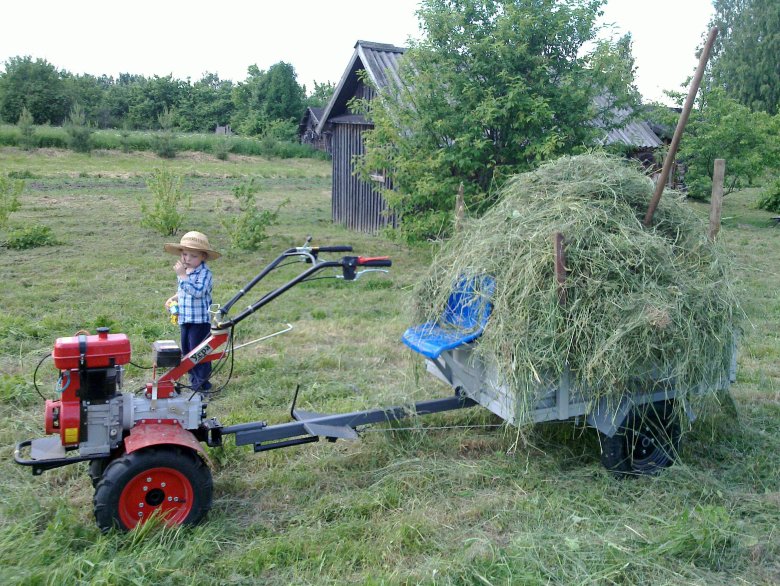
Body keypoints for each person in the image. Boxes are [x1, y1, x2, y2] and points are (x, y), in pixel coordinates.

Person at [164, 231, 221, 391]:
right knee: (188, 352)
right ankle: (193, 380)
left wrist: (182, 276)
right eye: (184, 254)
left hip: (199, 321)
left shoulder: (205, 273)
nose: (187, 259)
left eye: (193, 256)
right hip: (185, 318)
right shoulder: (185, 270)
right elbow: (183, 291)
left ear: (203, 257)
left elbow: (198, 292)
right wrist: (174, 298)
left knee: (199, 353)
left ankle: (202, 385)